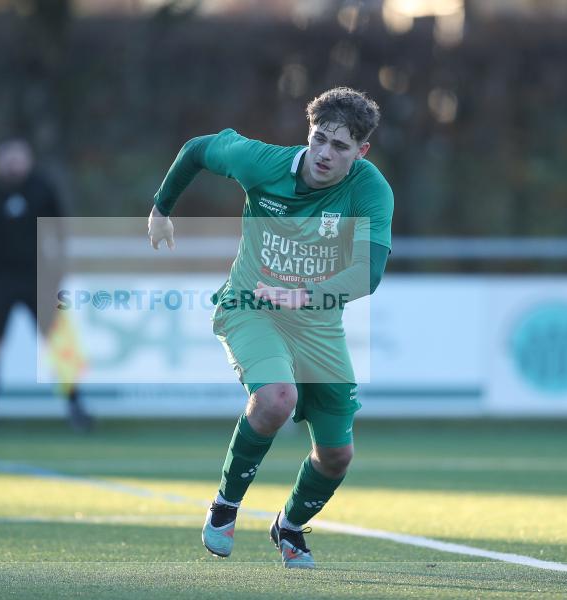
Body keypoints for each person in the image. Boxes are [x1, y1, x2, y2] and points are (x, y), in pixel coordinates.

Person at [147, 87, 393, 569]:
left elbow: (370, 271)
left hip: (316, 322)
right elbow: (198, 148)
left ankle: (290, 524)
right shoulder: (261, 162)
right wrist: (161, 207)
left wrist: (306, 294)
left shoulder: (369, 189)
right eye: (319, 139)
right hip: (250, 305)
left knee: (337, 455)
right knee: (278, 397)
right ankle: (225, 505)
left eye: (340, 147)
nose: (324, 154)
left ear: (361, 151)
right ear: (309, 132)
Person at [0, 139, 93, 436]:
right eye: (9, 159)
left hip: (37, 278)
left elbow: (61, 229)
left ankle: (76, 406)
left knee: (58, 342)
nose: (15, 164)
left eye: (21, 158)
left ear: (29, 161)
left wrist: (60, 270)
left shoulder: (42, 189)